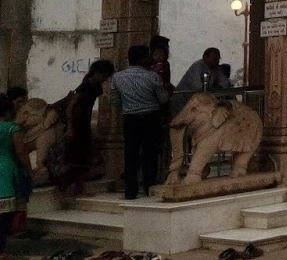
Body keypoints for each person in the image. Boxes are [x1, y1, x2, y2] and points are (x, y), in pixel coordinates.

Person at [110, 46, 169, 199]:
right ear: (143, 59)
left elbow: (115, 101)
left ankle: (131, 190)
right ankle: (149, 185)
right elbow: (163, 99)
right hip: (151, 117)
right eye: (148, 56)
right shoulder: (153, 77)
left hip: (130, 118)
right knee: (150, 152)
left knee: (131, 152)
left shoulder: (117, 77)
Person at [51, 59, 113, 197]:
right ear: (97, 73)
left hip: (83, 123)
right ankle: (66, 189)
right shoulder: (86, 86)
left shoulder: (93, 85)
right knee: (74, 157)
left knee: (83, 157)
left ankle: (76, 189)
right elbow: (71, 106)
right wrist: (70, 127)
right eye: (104, 76)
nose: (105, 79)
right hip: (77, 123)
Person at [0, 94, 30, 259]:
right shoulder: (12, 128)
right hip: (6, 172)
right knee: (5, 216)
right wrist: (29, 170)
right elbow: (20, 152)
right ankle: (1, 251)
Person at [173, 48, 231, 112]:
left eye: (218, 59)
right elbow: (197, 87)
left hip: (200, 99)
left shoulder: (217, 68)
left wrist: (218, 88)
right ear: (205, 57)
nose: (217, 61)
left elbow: (225, 83)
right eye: (214, 58)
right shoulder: (198, 66)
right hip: (184, 100)